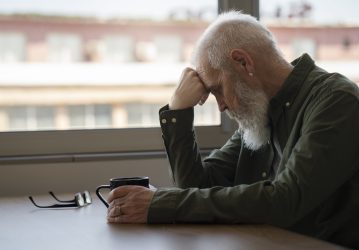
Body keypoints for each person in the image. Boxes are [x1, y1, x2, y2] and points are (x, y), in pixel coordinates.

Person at [106, 10, 359, 248]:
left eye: (217, 90)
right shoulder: (260, 116)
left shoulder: (336, 101)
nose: (222, 106)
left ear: (243, 62)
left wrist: (160, 203)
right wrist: (178, 112)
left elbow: (285, 200)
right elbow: (195, 187)